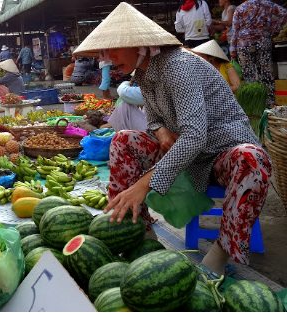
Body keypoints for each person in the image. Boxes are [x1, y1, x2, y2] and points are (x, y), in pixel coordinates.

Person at [74, 2, 271, 276]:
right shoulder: (144, 72)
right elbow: (154, 117)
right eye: (103, 52)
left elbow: (195, 136)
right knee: (122, 140)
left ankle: (221, 253)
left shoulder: (179, 67)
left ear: (138, 44)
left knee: (253, 157)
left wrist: (146, 182)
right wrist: (160, 130)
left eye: (113, 49)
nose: (107, 58)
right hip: (185, 154)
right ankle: (139, 235)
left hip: (222, 154)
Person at [229, 0, 287, 107]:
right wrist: (274, 29)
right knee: (266, 74)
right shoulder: (267, 4)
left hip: (244, 44)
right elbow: (284, 13)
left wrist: (232, 50)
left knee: (249, 76)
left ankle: (255, 105)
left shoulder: (240, 8)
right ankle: (270, 104)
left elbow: (235, 30)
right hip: (263, 42)